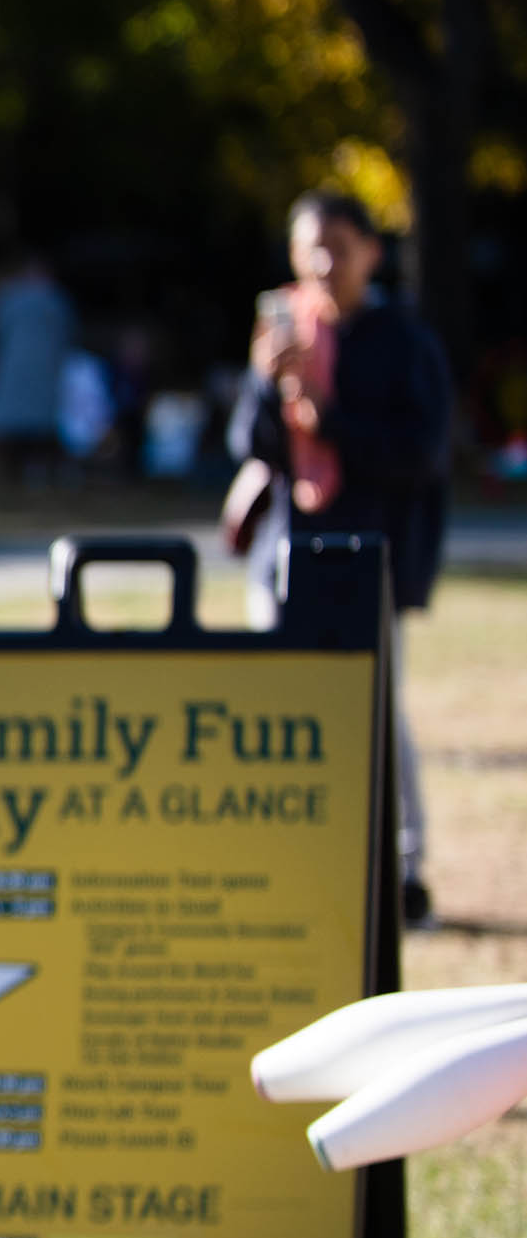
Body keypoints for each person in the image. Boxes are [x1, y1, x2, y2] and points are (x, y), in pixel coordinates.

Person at [231, 191, 452, 925]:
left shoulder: (401, 340)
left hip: (369, 554)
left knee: (377, 708)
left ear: (369, 251)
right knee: (282, 713)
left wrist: (331, 421)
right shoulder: (283, 328)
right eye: (307, 247)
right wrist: (269, 384)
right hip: (284, 554)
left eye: (337, 244)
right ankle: (294, 864)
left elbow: (422, 454)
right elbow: (251, 450)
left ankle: (405, 867)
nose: (322, 261)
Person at [0, 251, 75, 483]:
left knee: (16, 431)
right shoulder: (56, 301)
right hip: (38, 379)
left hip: (15, 374)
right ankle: (32, 477)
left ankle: (17, 477)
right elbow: (69, 336)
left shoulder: (10, 297)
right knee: (36, 431)